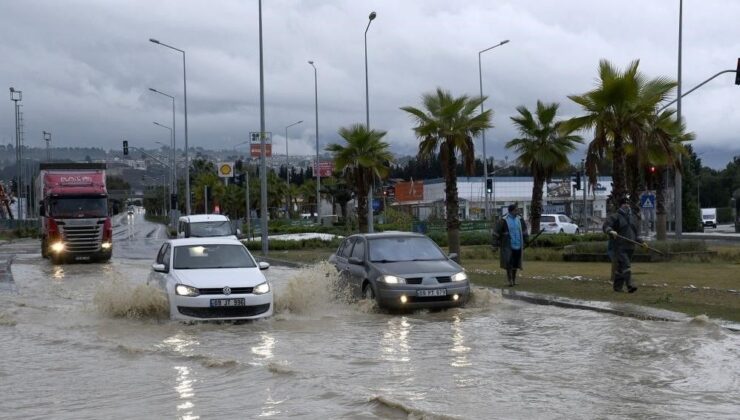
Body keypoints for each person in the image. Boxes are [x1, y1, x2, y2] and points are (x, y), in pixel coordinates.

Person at [603, 197, 648, 293]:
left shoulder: (633, 218)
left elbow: (635, 235)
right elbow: (606, 226)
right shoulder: (615, 217)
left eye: (628, 204)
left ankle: (617, 287)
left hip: (630, 247)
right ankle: (630, 285)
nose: (626, 205)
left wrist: (641, 242)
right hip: (619, 246)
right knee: (626, 265)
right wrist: (611, 231)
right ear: (620, 206)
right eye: (624, 204)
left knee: (620, 268)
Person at [492, 203, 529, 287]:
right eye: (516, 210)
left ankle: (514, 280)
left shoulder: (520, 219)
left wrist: (526, 241)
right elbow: (496, 233)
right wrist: (494, 245)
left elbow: (524, 231)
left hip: (518, 245)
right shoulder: (503, 220)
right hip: (508, 246)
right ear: (512, 211)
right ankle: (510, 280)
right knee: (509, 263)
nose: (518, 211)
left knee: (516, 263)